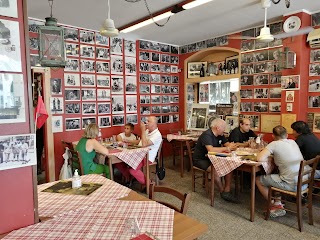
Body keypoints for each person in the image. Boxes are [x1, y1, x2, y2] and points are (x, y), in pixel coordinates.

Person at [255, 125, 320, 217]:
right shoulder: (293, 142)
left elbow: (259, 158)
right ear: (286, 135)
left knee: (258, 180)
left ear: (273, 136)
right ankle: (278, 202)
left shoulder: (274, 144)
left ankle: (275, 206)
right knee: (276, 174)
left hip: (293, 185)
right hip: (304, 182)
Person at [193, 118, 238, 203]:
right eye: (224, 128)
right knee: (216, 170)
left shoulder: (220, 134)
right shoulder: (207, 135)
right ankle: (221, 191)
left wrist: (232, 145)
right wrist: (227, 148)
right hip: (201, 159)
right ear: (218, 128)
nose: (225, 130)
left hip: (213, 158)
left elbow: (226, 144)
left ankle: (227, 190)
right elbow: (211, 149)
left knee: (229, 166)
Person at [115, 116, 162, 189]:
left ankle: (149, 184)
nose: (146, 122)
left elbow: (144, 144)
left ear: (153, 124)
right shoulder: (147, 131)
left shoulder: (157, 135)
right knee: (118, 162)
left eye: (148, 121)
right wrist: (129, 142)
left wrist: (143, 130)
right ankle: (130, 178)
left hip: (147, 157)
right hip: (138, 153)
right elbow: (140, 142)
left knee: (133, 170)